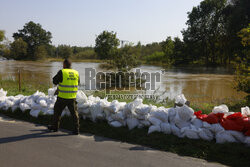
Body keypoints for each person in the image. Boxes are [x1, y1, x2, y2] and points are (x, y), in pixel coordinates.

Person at [48, 58, 80, 135]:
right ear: (70, 65)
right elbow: (78, 83)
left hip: (62, 97)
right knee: (74, 114)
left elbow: (54, 81)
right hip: (72, 97)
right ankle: (76, 130)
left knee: (57, 112)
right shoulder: (76, 72)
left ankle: (55, 127)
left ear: (64, 65)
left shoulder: (62, 72)